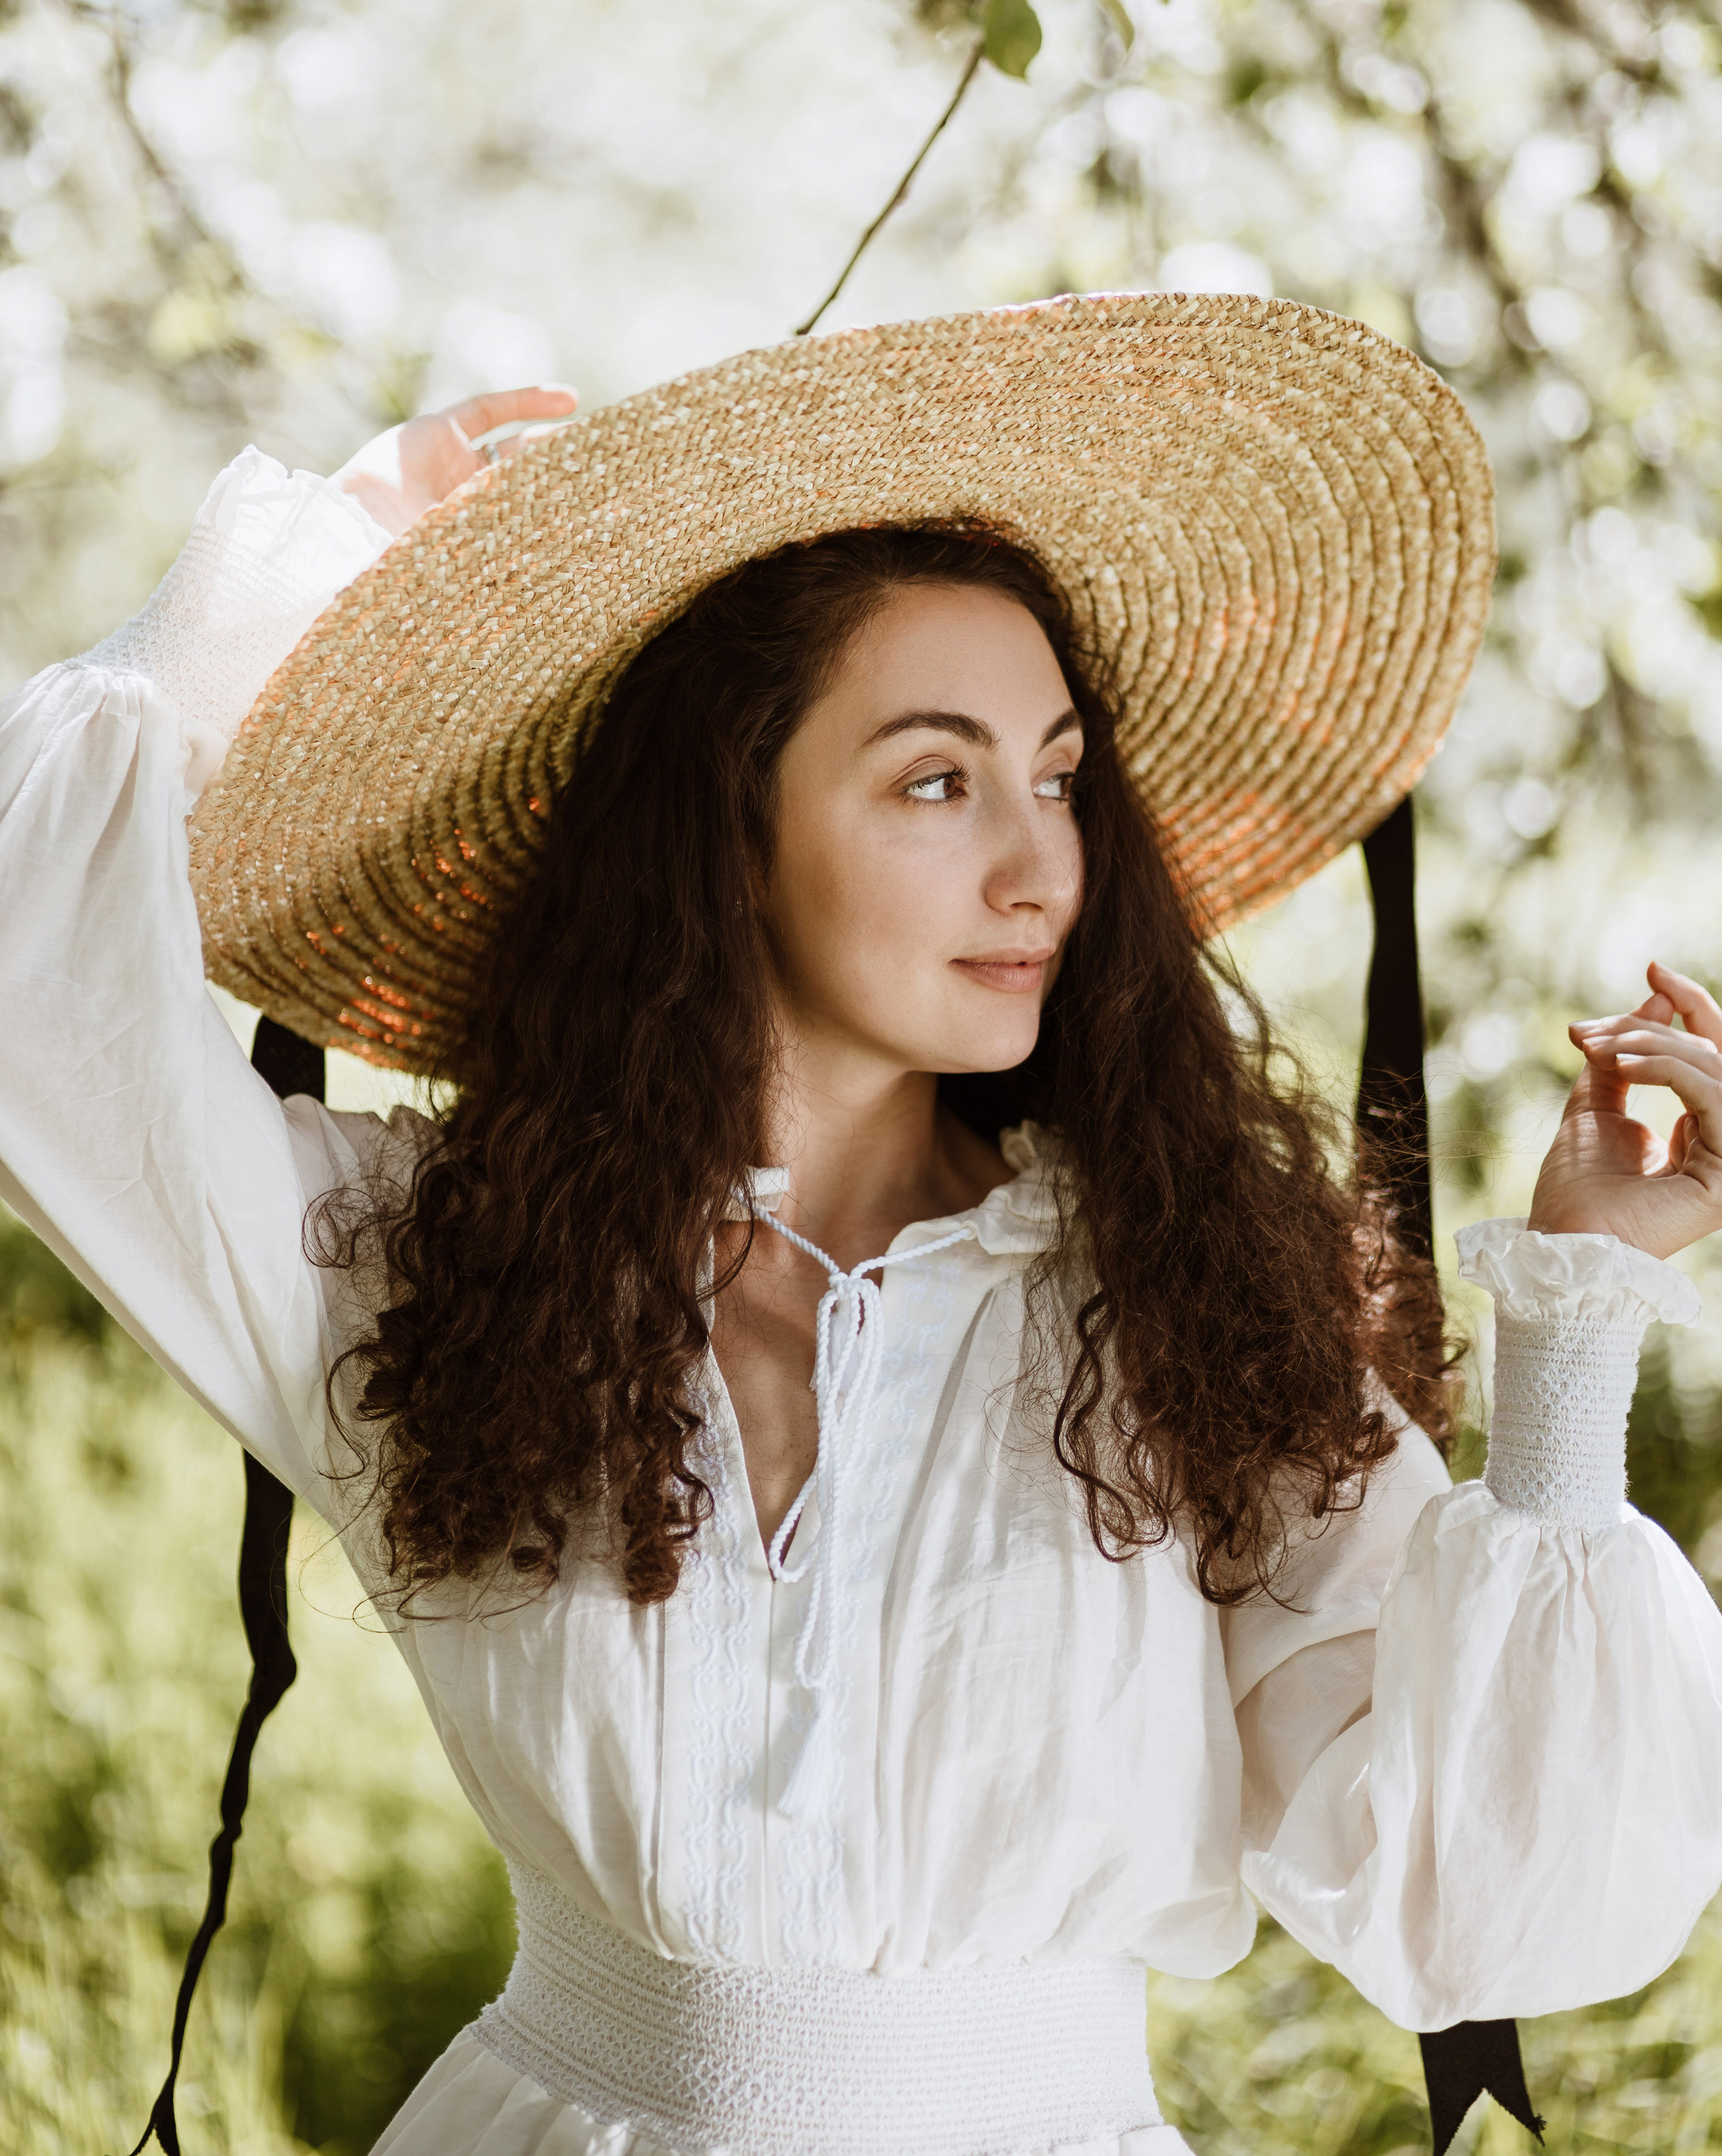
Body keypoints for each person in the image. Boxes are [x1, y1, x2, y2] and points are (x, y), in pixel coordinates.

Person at [5, 293, 1722, 2156]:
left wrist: (1581, 1317)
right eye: (935, 780)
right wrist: (293, 577)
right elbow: (37, 1014)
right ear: (726, 834)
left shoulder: (1186, 1310)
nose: (1041, 865)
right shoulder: (440, 1266)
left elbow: (1484, 1904)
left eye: (1058, 777)